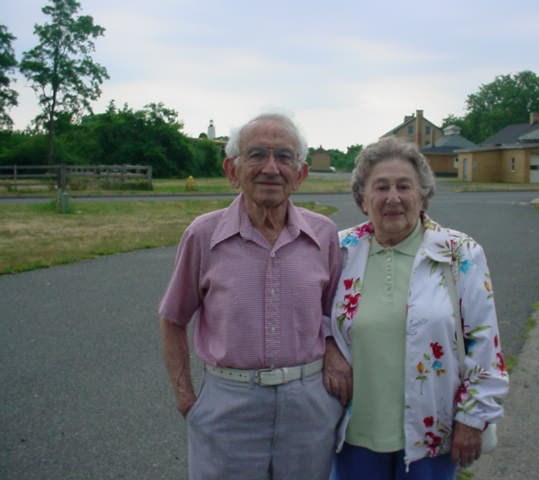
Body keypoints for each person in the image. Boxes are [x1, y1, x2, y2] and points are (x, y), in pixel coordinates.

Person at [158, 112, 344, 480]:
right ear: (232, 169)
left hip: (308, 407)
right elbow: (172, 318)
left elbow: (336, 315)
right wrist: (186, 397)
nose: (271, 168)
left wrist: (335, 356)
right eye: (257, 154)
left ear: (300, 174)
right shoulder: (203, 235)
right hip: (228, 404)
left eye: (284, 157)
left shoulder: (324, 235)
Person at [324, 137, 509, 479]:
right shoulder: (338, 249)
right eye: (380, 187)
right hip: (353, 432)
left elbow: (485, 341)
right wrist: (329, 345)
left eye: (404, 186)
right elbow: (312, 315)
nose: (393, 197)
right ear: (363, 200)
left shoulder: (459, 252)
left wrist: (473, 417)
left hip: (432, 435)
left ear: (422, 195)